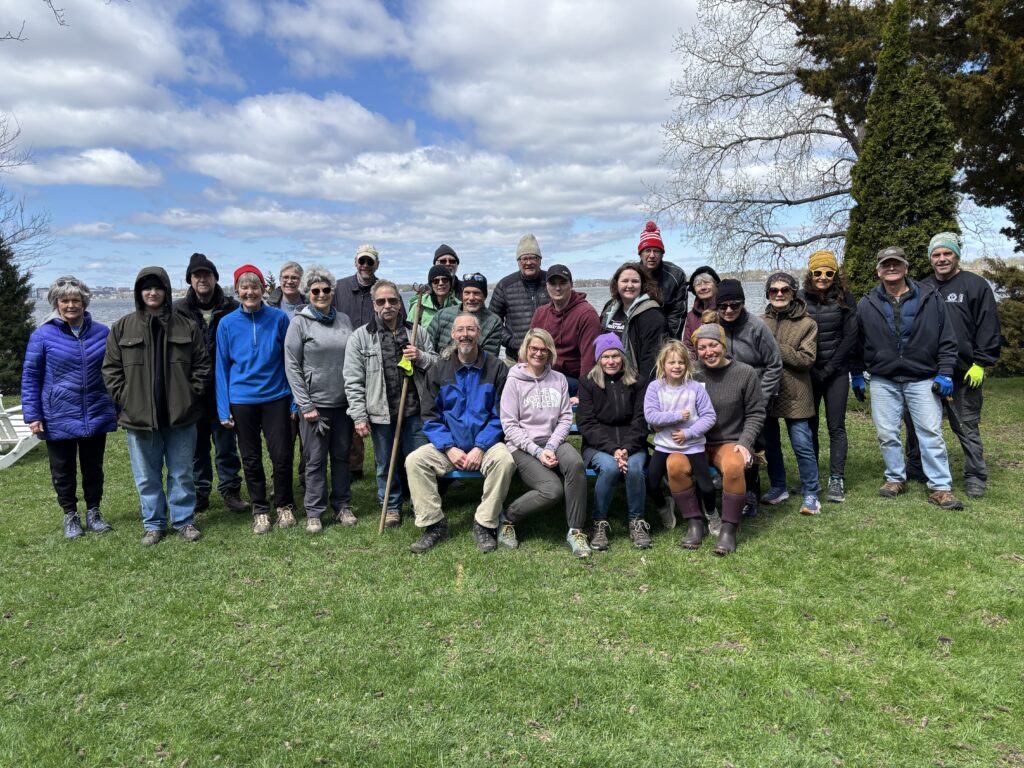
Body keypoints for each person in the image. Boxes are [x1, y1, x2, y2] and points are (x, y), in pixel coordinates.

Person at [102, 267, 209, 545]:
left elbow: (202, 366)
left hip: (181, 416)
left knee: (183, 473)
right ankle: (154, 524)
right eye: (147, 288)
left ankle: (184, 521)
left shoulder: (186, 326)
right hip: (139, 418)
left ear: (166, 291)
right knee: (146, 477)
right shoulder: (122, 327)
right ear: (139, 292)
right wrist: (126, 399)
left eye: (158, 288)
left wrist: (190, 395)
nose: (152, 293)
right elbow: (111, 370)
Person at [853, 246, 963, 509]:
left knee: (930, 432)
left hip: (922, 378)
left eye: (896, 264)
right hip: (883, 379)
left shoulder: (930, 297)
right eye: (886, 264)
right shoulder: (866, 303)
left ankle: (940, 486)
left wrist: (945, 372)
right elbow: (857, 342)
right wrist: (856, 372)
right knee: (887, 433)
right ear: (878, 270)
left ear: (906, 268)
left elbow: (947, 339)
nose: (891, 268)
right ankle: (894, 478)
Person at [404, 312, 516, 554]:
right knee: (415, 461)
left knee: (505, 461)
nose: (465, 335)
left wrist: (481, 446)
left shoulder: (496, 369)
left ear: (479, 334)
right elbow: (430, 416)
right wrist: (448, 447)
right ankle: (433, 524)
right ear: (453, 335)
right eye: (460, 330)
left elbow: (502, 415)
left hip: (486, 444)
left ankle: (485, 523)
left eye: (471, 330)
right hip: (450, 445)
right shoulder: (439, 370)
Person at [22, 276, 118, 538]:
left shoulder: (102, 332)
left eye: (76, 300)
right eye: (65, 300)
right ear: (56, 303)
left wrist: (118, 405)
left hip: (95, 410)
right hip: (57, 414)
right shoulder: (42, 335)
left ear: (84, 302)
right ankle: (70, 515)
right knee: (62, 470)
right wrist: (32, 415)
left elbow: (113, 371)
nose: (70, 305)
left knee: (93, 467)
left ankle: (94, 511)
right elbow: (31, 376)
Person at [911, 232, 1001, 498]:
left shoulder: (975, 285)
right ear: (930, 259)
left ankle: (975, 475)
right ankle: (915, 467)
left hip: (964, 372)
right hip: (927, 371)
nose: (941, 259)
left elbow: (988, 325)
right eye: (936, 255)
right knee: (919, 424)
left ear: (956, 255)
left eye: (946, 253)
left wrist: (981, 363)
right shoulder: (922, 287)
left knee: (965, 425)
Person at [344, 280, 437, 528]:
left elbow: (437, 366)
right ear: (374, 305)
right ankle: (392, 506)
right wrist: (359, 416)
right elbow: (353, 381)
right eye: (382, 301)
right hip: (381, 413)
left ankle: (421, 504)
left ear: (400, 303)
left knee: (418, 461)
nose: (388, 306)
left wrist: (421, 356)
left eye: (393, 301)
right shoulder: (361, 338)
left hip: (414, 411)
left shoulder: (416, 332)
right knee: (385, 464)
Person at [216, 265, 297, 534]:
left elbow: (290, 362)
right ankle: (260, 509)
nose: (250, 292)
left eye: (255, 287)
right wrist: (223, 407)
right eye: (244, 287)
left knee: (282, 455)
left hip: (276, 396)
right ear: (237, 290)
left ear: (264, 290)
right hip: (242, 400)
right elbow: (222, 367)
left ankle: (285, 505)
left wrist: (295, 400)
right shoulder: (226, 324)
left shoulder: (278, 319)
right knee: (250, 458)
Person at [499, 329, 591, 558]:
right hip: (521, 447)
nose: (538, 353)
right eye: (534, 349)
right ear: (525, 351)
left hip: (553, 441)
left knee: (575, 464)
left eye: (543, 349)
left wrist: (550, 447)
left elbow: (565, 418)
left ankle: (576, 531)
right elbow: (509, 426)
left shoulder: (558, 379)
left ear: (550, 352)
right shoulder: (513, 381)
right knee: (552, 490)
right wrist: (538, 451)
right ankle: (508, 517)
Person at [171, 253, 247, 515]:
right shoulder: (177, 310)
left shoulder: (232, 308)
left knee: (226, 444)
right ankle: (200, 491)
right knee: (197, 446)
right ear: (190, 280)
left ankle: (230, 490)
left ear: (215, 278)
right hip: (191, 390)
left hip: (223, 388)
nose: (202, 279)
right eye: (197, 275)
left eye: (207, 274)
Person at [284, 266, 356, 533]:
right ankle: (314, 510)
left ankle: (342, 505)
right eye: (316, 290)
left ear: (332, 292)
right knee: (314, 459)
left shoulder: (345, 321)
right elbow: (292, 365)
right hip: (314, 405)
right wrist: (305, 404)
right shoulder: (299, 322)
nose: (321, 294)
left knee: (341, 456)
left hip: (343, 403)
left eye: (326, 290)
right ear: (308, 293)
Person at [690, 322, 766, 555]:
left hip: (729, 441)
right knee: (674, 465)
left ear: (723, 345)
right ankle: (695, 522)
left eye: (713, 345)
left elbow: (756, 412)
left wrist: (745, 443)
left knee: (734, 466)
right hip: (696, 441)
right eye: (702, 347)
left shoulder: (745, 373)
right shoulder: (691, 373)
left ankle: (728, 529)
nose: (708, 352)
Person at [713, 278, 782, 516]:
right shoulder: (715, 326)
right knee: (728, 442)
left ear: (742, 303)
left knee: (752, 444)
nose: (729, 310)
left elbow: (774, 364)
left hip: (756, 393)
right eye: (723, 306)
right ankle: (728, 485)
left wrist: (760, 398)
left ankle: (751, 493)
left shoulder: (756, 327)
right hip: (727, 394)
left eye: (735, 304)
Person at [576, 334, 650, 551]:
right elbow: (586, 423)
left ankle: (637, 521)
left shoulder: (638, 382)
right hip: (598, 445)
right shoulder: (587, 383)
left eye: (615, 356)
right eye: (606, 356)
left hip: (632, 444)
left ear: (622, 357)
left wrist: (626, 448)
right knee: (609, 468)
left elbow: (640, 419)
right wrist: (613, 450)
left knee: (635, 469)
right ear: (599, 359)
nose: (611, 361)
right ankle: (599, 522)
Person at [333, 244, 400, 480]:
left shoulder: (383, 291)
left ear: (376, 265)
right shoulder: (339, 287)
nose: (365, 266)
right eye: (362, 261)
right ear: (355, 262)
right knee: (352, 414)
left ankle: (378, 467)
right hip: (346, 354)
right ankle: (353, 468)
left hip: (376, 356)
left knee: (376, 409)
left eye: (369, 262)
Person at [799, 250, 858, 503]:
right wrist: (811, 368)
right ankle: (811, 479)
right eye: (818, 272)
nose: (823, 277)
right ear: (810, 274)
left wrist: (831, 368)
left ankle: (836, 479)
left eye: (828, 273)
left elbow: (850, 337)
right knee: (809, 428)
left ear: (835, 275)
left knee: (836, 427)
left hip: (836, 372)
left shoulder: (846, 298)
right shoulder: (799, 299)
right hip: (808, 372)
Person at [761, 272, 821, 515]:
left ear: (793, 292)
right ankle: (778, 487)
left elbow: (806, 359)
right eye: (774, 290)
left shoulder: (808, 324)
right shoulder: (759, 321)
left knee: (802, 444)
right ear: (767, 294)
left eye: (784, 290)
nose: (779, 294)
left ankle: (811, 493)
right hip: (767, 391)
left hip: (796, 392)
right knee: (771, 444)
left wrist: (775, 347)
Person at [644, 340, 717, 538]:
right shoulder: (654, 388)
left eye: (681, 363)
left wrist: (689, 432)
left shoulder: (695, 388)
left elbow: (709, 416)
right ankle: (664, 505)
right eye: (672, 363)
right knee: (651, 483)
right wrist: (676, 416)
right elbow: (650, 416)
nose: (676, 366)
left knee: (707, 487)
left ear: (687, 365)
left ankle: (711, 513)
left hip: (693, 445)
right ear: (663, 365)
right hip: (664, 444)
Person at [529, 264, 602, 398]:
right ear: (547, 286)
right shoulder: (540, 313)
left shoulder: (587, 314)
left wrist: (582, 397)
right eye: (553, 283)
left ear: (571, 285)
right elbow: (527, 351)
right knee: (512, 376)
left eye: (562, 283)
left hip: (573, 381)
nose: (557, 288)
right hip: (545, 374)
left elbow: (590, 360)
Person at [599, 262, 667, 385]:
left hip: (636, 382)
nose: (629, 285)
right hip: (609, 379)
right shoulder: (609, 309)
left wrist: (643, 391)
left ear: (642, 285)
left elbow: (651, 361)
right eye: (625, 281)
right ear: (616, 284)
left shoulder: (652, 315)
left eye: (635, 281)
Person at [489, 234, 550, 361]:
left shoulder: (552, 282)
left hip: (548, 356)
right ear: (518, 262)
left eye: (533, 258)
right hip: (515, 357)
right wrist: (511, 341)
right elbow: (493, 321)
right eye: (524, 258)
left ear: (540, 260)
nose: (528, 263)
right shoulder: (505, 285)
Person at [427, 273, 502, 356]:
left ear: (484, 296)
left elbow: (489, 358)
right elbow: (427, 347)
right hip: (438, 366)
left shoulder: (494, 322)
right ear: (462, 295)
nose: (471, 298)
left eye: (476, 293)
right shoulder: (442, 315)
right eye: (467, 293)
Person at [637, 221, 687, 338]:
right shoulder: (631, 275)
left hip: (666, 334)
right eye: (647, 251)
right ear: (640, 254)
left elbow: (677, 316)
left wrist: (669, 344)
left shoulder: (676, 275)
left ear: (662, 254)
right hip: (637, 334)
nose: (652, 255)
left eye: (657, 251)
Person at [682, 266, 721, 355]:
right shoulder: (691, 316)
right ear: (694, 289)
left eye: (707, 283)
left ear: (715, 285)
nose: (703, 287)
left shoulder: (725, 310)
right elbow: (688, 345)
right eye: (698, 285)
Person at [408, 264, 459, 329]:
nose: (441, 283)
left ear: (450, 283)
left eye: (445, 280)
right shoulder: (419, 306)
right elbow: (409, 331)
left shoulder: (458, 306)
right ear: (431, 285)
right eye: (436, 281)